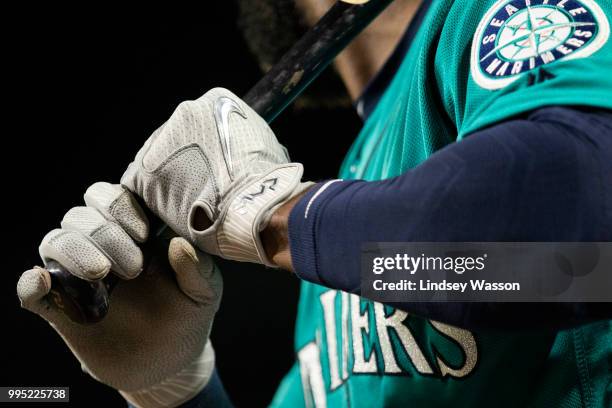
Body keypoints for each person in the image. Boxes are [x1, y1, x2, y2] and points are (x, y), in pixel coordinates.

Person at [17, 0, 612, 407]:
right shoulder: (353, 200)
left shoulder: (492, 16)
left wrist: (269, 213)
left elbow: (574, 242)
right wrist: (177, 391)